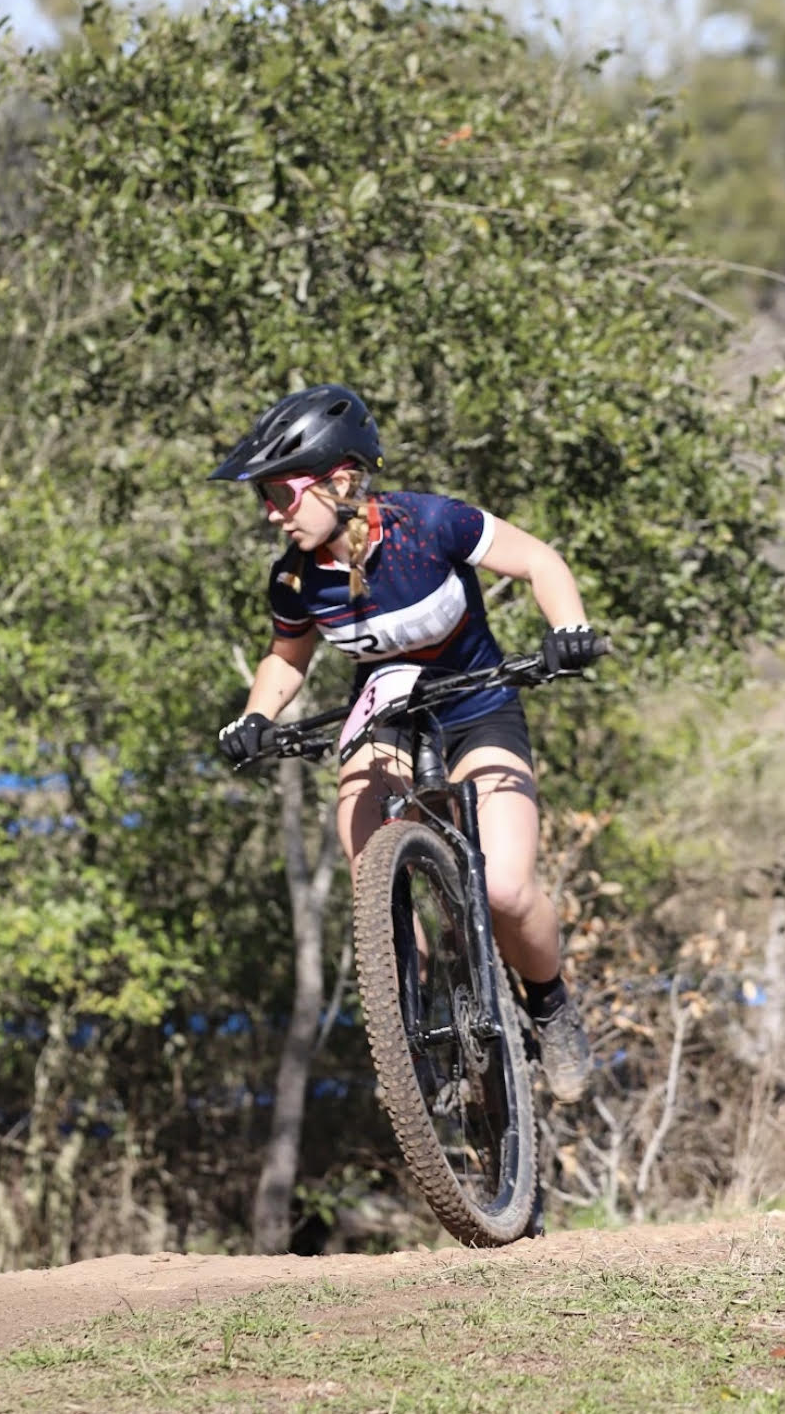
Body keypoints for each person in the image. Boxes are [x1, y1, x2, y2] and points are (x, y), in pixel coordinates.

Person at [211, 382, 603, 1104]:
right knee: (373, 878)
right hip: (388, 710)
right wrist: (255, 716)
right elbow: (287, 658)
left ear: (340, 479)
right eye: (263, 497)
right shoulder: (296, 578)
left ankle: (550, 1007)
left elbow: (539, 561)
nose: (270, 512)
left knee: (507, 888)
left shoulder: (429, 524)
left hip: (478, 702)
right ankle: (416, 1026)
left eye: (280, 493)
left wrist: (568, 627)